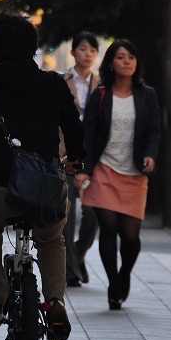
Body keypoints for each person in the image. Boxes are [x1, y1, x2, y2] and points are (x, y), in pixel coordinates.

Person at [0, 12, 85, 340]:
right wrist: (74, 158)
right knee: (52, 240)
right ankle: (55, 302)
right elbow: (74, 129)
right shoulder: (54, 84)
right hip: (47, 190)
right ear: (33, 48)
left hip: (1, 188)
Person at [75, 39, 160, 311]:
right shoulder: (100, 95)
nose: (127, 61)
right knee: (108, 229)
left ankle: (124, 275)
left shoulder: (147, 95)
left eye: (131, 57)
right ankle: (113, 284)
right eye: (121, 57)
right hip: (104, 170)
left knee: (131, 237)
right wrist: (83, 169)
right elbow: (86, 134)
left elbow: (154, 131)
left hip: (134, 173)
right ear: (111, 62)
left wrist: (149, 154)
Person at [61, 32, 100, 288]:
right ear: (73, 52)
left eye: (92, 50)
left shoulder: (104, 85)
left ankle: (77, 256)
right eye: (82, 49)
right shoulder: (61, 82)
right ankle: (71, 271)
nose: (87, 54)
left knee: (93, 214)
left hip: (94, 155)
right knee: (67, 214)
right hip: (65, 154)